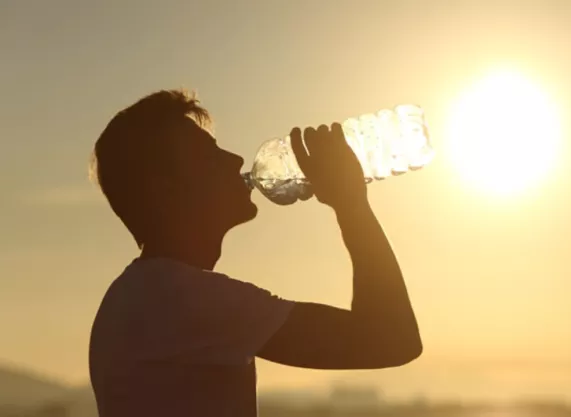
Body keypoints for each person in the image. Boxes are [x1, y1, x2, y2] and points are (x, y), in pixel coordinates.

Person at [87, 90, 422, 417]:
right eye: (209, 155)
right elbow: (391, 338)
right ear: (166, 190)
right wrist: (351, 204)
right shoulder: (176, 299)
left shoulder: (141, 295)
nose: (235, 160)